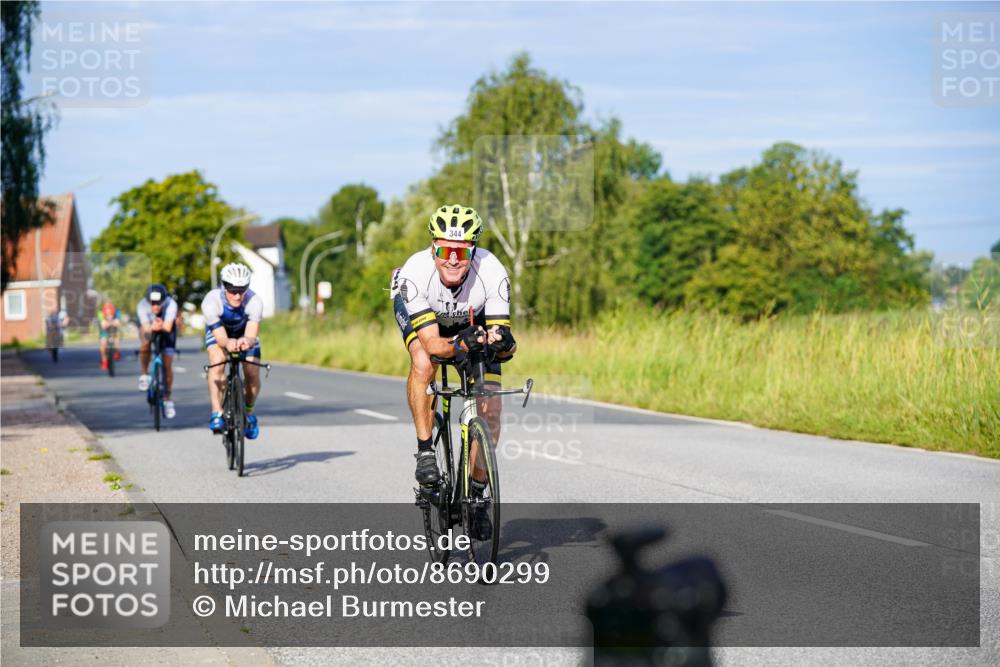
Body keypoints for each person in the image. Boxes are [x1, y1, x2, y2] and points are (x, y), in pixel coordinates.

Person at [391, 204, 517, 519]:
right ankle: (425, 452)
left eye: (461, 252)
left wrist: (504, 345)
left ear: (473, 252)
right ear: (433, 249)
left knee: (492, 408)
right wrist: (460, 343)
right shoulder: (415, 273)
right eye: (445, 250)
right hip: (429, 322)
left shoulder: (492, 271)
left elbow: (502, 342)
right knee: (424, 361)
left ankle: (477, 492)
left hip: (473, 318)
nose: (452, 259)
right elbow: (434, 345)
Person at [201, 262, 264, 439]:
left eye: (242, 290)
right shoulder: (211, 301)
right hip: (219, 333)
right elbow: (221, 339)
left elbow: (251, 335)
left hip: (244, 333)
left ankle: (249, 413)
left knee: (252, 372)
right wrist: (228, 342)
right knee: (217, 362)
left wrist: (246, 341)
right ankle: (216, 412)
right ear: (224, 286)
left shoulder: (254, 301)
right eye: (232, 290)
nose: (237, 295)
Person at [136, 284, 180, 419]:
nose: (155, 306)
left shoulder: (171, 304)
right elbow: (145, 327)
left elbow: (168, 327)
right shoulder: (142, 305)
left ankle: (168, 400)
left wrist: (160, 326)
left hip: (166, 329)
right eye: (152, 303)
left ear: (164, 300)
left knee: (167, 365)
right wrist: (152, 327)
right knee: (145, 343)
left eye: (158, 303)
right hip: (149, 327)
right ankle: (144, 375)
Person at [98, 301, 122, 370]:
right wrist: (112, 323)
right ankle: (104, 360)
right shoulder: (100, 313)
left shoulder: (117, 312)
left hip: (114, 330)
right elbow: (103, 324)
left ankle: (117, 351)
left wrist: (110, 323)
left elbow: (117, 323)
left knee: (116, 339)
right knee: (103, 344)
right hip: (104, 331)